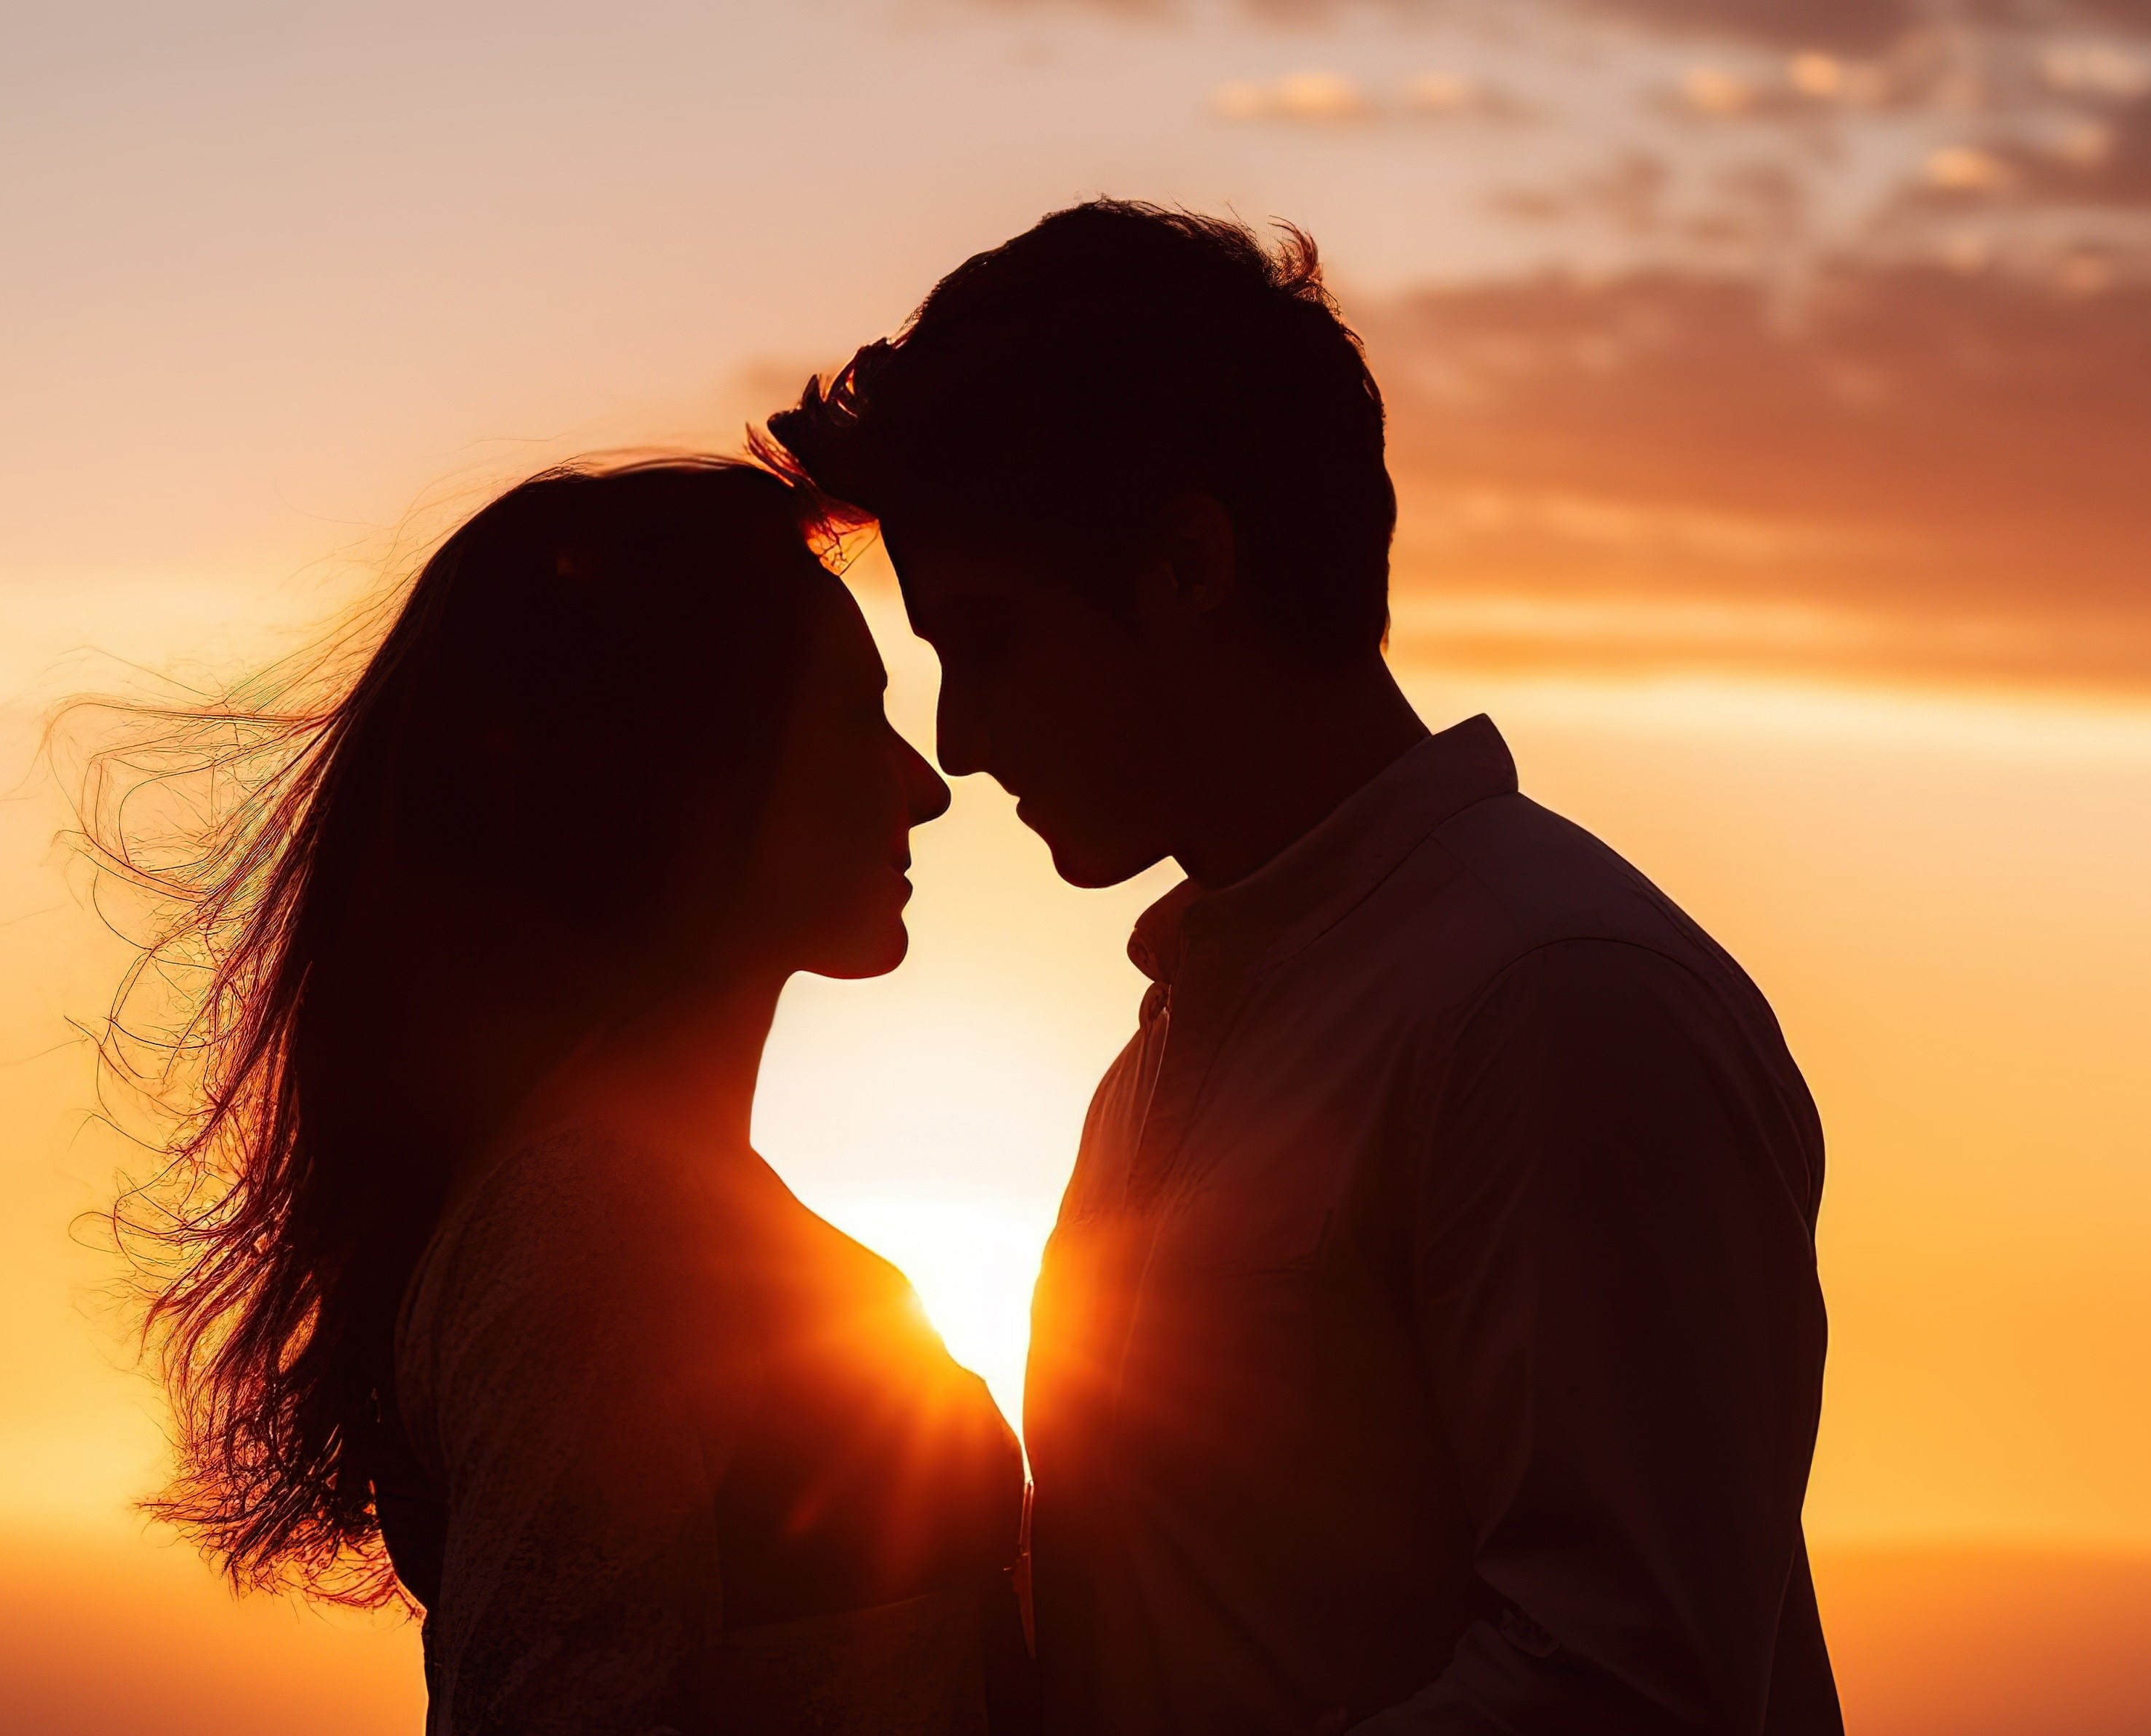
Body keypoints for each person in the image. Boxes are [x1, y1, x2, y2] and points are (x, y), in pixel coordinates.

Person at [767, 203, 1846, 1736]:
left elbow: (1627, 1684)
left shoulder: (1551, 1003)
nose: (959, 739)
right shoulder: (1173, 1059)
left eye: (989, 644)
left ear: (1190, 568)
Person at [86, 459, 1031, 1735]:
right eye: (858, 716)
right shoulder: (593, 1219)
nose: (922, 783)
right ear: (693, 761)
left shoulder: (643, 1199)